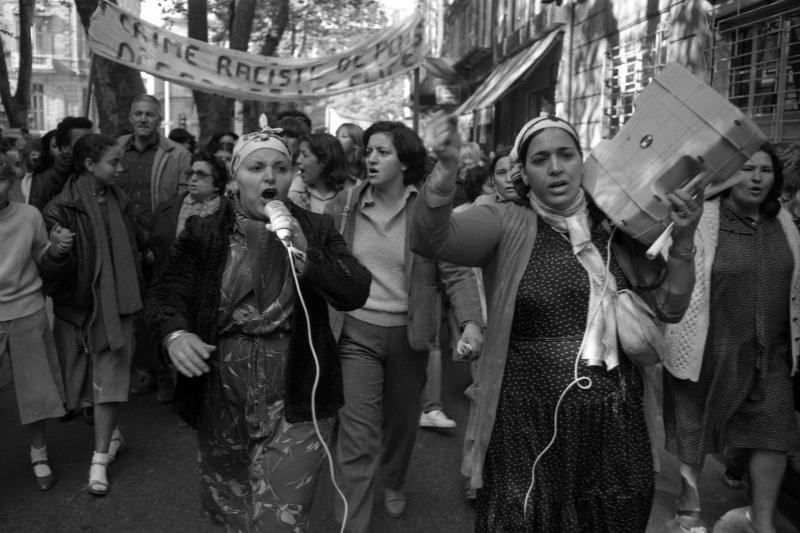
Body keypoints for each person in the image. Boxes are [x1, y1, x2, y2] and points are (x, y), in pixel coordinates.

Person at [409, 114, 702, 532]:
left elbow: (670, 307)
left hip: (613, 419)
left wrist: (685, 238)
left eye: (566, 155)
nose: (555, 167)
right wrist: (445, 168)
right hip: (527, 418)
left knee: (612, 517)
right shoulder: (505, 220)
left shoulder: (616, 225)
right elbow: (429, 238)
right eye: (540, 159)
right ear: (523, 173)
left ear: (582, 162)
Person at [145, 123, 371, 531]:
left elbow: (355, 290)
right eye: (256, 167)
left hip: (297, 389)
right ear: (235, 177)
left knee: (280, 520)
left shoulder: (316, 228)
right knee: (232, 508)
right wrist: (176, 335)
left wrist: (309, 255)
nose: (270, 177)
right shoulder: (203, 231)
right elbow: (165, 295)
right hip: (221, 389)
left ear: (292, 175)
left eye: (281, 167)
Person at [325, 120, 485, 532]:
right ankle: (351, 524)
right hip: (355, 334)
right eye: (369, 151)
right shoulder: (343, 205)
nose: (371, 158)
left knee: (399, 424)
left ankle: (393, 478)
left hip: (409, 336)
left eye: (383, 152)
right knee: (356, 437)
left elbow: (458, 272)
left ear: (405, 160)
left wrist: (470, 322)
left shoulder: (426, 211)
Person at [662, 145, 800, 533]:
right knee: (694, 429)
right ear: (729, 175)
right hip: (707, 347)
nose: (756, 178)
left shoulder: (784, 223)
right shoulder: (703, 218)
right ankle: (689, 512)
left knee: (772, 432)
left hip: (767, 352)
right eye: (747, 169)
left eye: (765, 170)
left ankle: (762, 519)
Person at [40, 134, 143, 496]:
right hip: (81, 312)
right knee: (84, 388)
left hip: (120, 307)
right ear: (89, 165)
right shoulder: (59, 209)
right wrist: (55, 252)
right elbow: (50, 276)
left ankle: (98, 461)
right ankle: (112, 434)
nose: (121, 168)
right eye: (113, 162)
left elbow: (133, 246)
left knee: (108, 385)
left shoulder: (121, 200)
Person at [0, 154, 71, 491]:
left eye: (1, 179)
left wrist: (56, 249)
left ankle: (39, 452)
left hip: (27, 308)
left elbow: (41, 256)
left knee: (36, 389)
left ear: (12, 181)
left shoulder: (29, 216)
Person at [118, 94, 191, 398]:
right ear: (130, 117)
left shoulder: (178, 154)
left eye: (150, 114)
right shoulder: (116, 149)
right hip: (124, 242)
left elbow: (183, 200)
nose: (143, 119)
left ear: (160, 119)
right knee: (131, 310)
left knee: (162, 307)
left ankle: (165, 373)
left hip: (161, 242)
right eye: (138, 113)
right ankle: (143, 369)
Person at [29, 117, 93, 211]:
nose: (91, 146)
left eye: (92, 140)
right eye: (83, 142)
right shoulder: (47, 180)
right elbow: (37, 216)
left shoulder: (95, 170)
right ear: (64, 147)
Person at [290, 132, 353, 213]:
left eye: (305, 155)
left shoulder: (354, 193)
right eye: (299, 154)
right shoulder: (295, 195)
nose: (298, 160)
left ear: (324, 160)